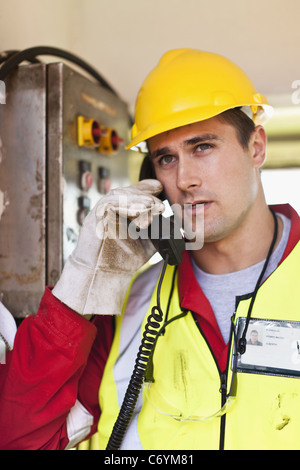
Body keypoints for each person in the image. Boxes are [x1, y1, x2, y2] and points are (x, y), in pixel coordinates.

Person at [0, 49, 299, 450]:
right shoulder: (130, 305)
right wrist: (76, 293)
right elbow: (19, 439)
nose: (185, 178)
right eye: (166, 158)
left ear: (256, 147)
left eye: (203, 147)